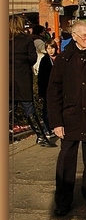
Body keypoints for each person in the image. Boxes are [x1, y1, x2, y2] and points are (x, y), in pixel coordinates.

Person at [47, 20, 86, 216]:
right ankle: (63, 200)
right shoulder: (64, 59)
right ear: (74, 37)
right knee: (66, 160)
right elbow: (53, 92)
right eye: (84, 35)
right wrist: (56, 122)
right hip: (70, 117)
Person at [9, 15, 56, 147]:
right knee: (29, 109)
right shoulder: (26, 40)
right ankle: (41, 137)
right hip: (22, 79)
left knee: (8, 108)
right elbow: (32, 58)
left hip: (7, 80)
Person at [37, 38, 59, 138]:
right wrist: (41, 91)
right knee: (46, 110)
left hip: (59, 89)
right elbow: (41, 77)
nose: (50, 50)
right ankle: (47, 128)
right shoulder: (45, 60)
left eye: (52, 48)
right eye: (48, 48)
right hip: (47, 89)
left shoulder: (60, 59)